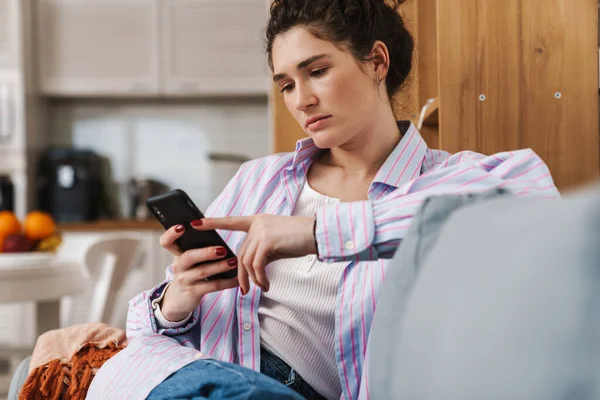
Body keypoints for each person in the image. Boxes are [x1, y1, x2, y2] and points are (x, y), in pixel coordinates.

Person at [87, 0, 559, 399]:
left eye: (316, 71)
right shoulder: (259, 180)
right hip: (192, 375)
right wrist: (176, 302)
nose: (301, 100)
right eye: (287, 85)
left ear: (376, 61)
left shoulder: (454, 180)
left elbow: (536, 211)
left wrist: (316, 232)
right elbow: (144, 336)